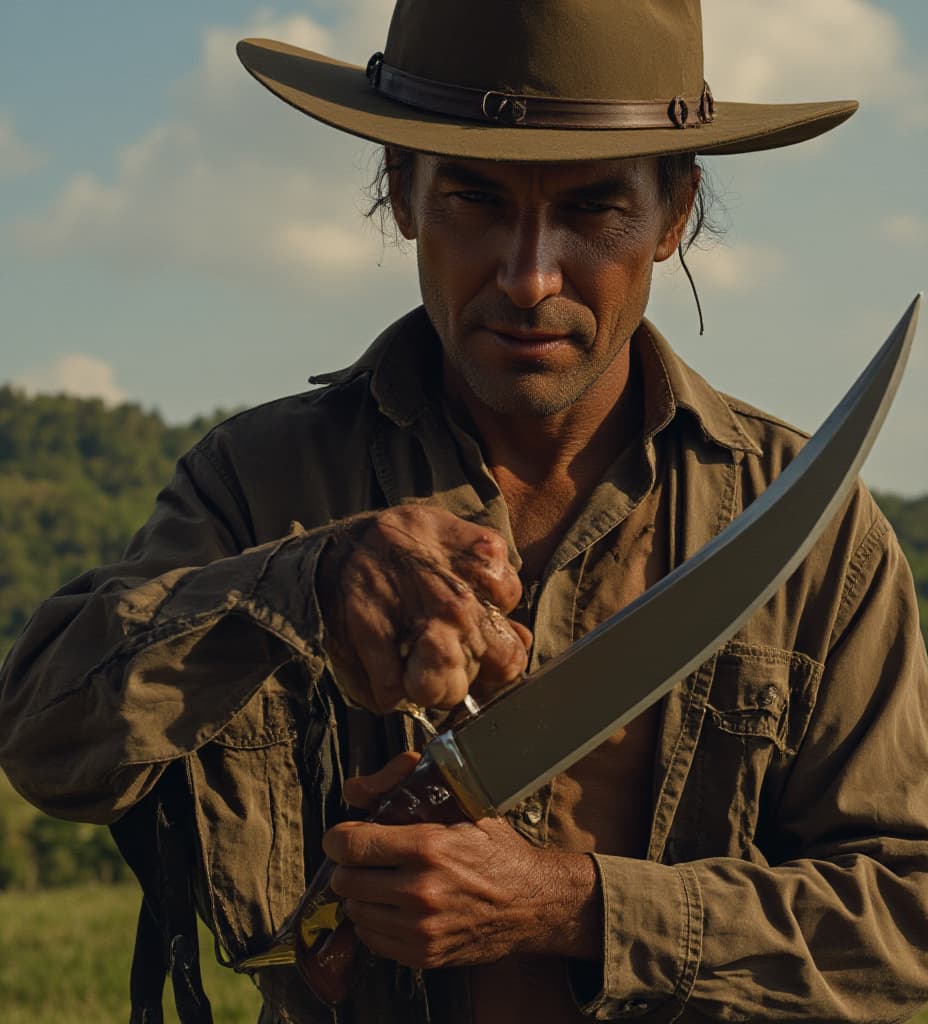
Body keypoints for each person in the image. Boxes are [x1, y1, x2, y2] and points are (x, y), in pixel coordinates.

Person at [2, 1, 927, 1022]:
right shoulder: (262, 484)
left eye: (591, 209)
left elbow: (905, 917)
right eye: (476, 200)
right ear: (402, 191)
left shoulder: (805, 533)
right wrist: (301, 582)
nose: (529, 276)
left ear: (674, 214)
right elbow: (47, 741)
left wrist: (577, 909)